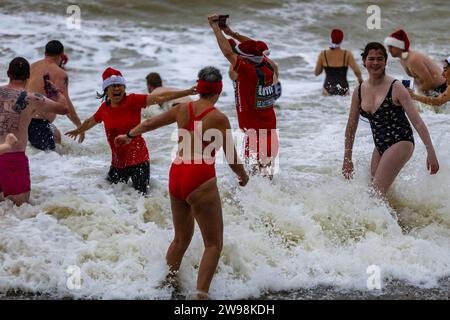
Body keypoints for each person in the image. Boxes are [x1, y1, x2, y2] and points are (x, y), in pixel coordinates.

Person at [115, 66, 249, 299]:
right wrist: (243, 175)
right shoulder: (218, 118)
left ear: (199, 88)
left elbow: (148, 124)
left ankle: (165, 287)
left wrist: (128, 136)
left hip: (176, 174)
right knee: (213, 244)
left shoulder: (182, 110)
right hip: (200, 177)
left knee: (180, 239)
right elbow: (231, 157)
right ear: (218, 90)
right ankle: (200, 295)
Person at [65, 67, 196, 195]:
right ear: (106, 89)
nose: (116, 88)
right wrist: (79, 130)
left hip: (138, 161)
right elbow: (90, 121)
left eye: (119, 85)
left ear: (124, 87)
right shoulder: (104, 108)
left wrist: (187, 92)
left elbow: (161, 97)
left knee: (141, 198)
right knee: (109, 196)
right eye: (113, 86)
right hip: (117, 163)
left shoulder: (133, 100)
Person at [342, 42, 439, 197]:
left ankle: (373, 221)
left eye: (380, 59)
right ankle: (401, 218)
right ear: (364, 61)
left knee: (375, 194)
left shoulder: (396, 87)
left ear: (385, 62)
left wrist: (431, 152)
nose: (375, 63)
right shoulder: (358, 92)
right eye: (371, 58)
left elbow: (417, 121)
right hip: (380, 145)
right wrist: (347, 158)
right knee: (378, 190)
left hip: (401, 141)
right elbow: (351, 126)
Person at [208, 14, 279, 176]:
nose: (238, 57)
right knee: (266, 183)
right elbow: (255, 47)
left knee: (252, 182)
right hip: (271, 135)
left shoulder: (248, 73)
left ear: (248, 61)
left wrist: (215, 28)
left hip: (254, 137)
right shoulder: (267, 66)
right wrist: (231, 33)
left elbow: (228, 53)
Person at [0, 57, 68, 206]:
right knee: (21, 210)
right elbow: (64, 109)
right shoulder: (32, 98)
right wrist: (56, 92)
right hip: (14, 160)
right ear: (28, 76)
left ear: (8, 73)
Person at [26, 40, 84, 151]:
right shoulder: (60, 73)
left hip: (23, 121)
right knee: (50, 160)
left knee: (57, 137)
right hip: (38, 124)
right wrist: (79, 126)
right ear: (62, 54)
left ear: (45, 53)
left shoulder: (31, 67)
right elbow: (66, 104)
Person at [384, 29, 447, 96]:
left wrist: (417, 94)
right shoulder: (402, 59)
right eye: (388, 47)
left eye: (391, 47)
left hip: (443, 88)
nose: (389, 50)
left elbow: (429, 82)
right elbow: (416, 78)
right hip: (434, 90)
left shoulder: (413, 59)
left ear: (400, 46)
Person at [314, 28, 363, 96]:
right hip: (343, 88)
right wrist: (361, 83)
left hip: (327, 89)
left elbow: (317, 73)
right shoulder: (347, 54)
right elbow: (357, 72)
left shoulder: (323, 54)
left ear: (331, 39)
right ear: (341, 40)